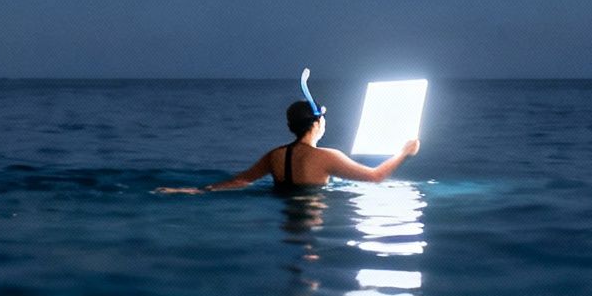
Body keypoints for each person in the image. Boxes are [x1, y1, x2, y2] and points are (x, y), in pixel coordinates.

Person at [162, 100, 419, 192]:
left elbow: (240, 181)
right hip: (311, 222)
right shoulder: (327, 157)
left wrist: (197, 190)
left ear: (290, 126)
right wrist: (404, 153)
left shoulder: (275, 155)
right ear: (317, 124)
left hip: (283, 218)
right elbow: (375, 177)